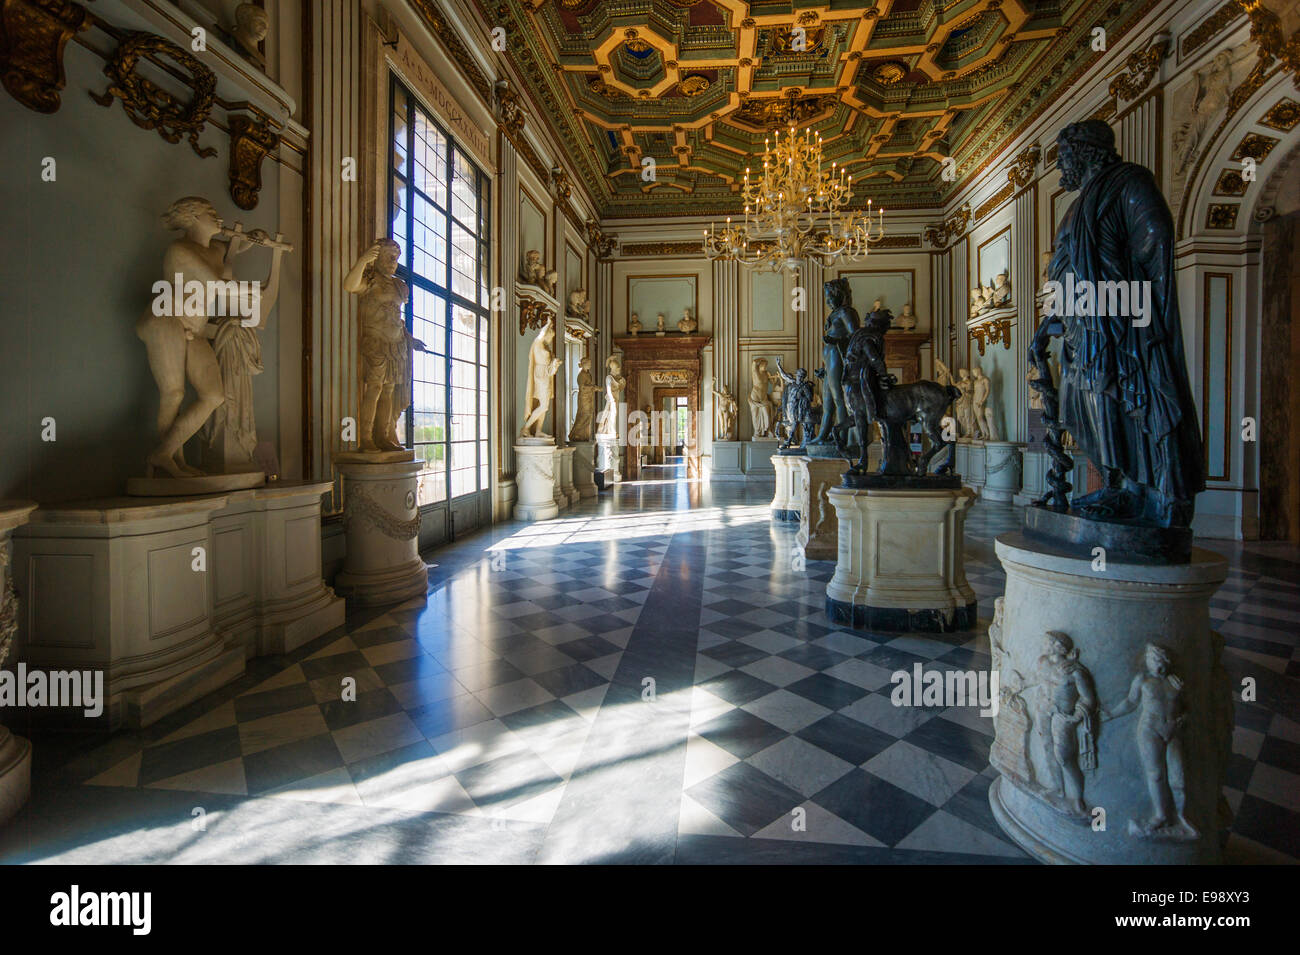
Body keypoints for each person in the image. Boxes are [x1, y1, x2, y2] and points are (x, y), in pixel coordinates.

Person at [1031, 120, 1204, 527]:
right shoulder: (1077, 206)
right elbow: (1064, 268)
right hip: (1080, 325)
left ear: (1086, 152)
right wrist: (1050, 323)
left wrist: (1128, 304)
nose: (1060, 167)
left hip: (1115, 323)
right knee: (1083, 405)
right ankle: (1116, 483)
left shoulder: (1129, 184)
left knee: (1114, 397)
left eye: (1064, 157)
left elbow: (1155, 244)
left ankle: (1136, 489)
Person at [344, 239, 422, 452]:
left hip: (396, 344)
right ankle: (366, 438)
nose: (392, 262)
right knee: (375, 388)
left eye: (395, 258)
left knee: (388, 390)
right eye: (388, 256)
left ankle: (383, 436)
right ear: (375, 257)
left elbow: (398, 319)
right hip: (376, 341)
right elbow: (349, 286)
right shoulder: (370, 279)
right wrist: (361, 261)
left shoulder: (399, 285)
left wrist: (410, 339)